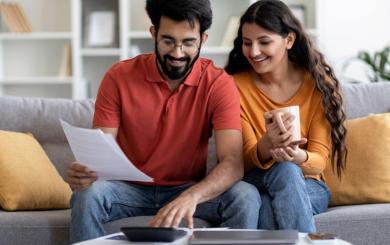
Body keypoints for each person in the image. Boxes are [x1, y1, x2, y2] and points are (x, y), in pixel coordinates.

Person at [67, 0, 261, 243]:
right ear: (153, 34)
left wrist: (191, 197)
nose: (177, 53)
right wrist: (86, 172)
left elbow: (233, 163)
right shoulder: (118, 76)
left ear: (203, 39)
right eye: (168, 41)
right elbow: (101, 154)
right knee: (88, 195)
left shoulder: (218, 83)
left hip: (186, 187)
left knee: (246, 195)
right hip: (128, 190)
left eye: (188, 42)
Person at [225, 0, 347, 233]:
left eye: (264, 42)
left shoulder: (318, 86)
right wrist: (267, 146)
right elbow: (244, 160)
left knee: (284, 176)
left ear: (289, 40)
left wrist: (296, 155)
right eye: (247, 43)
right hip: (256, 180)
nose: (254, 52)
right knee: (282, 171)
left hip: (309, 184)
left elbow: (319, 160)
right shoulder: (234, 86)